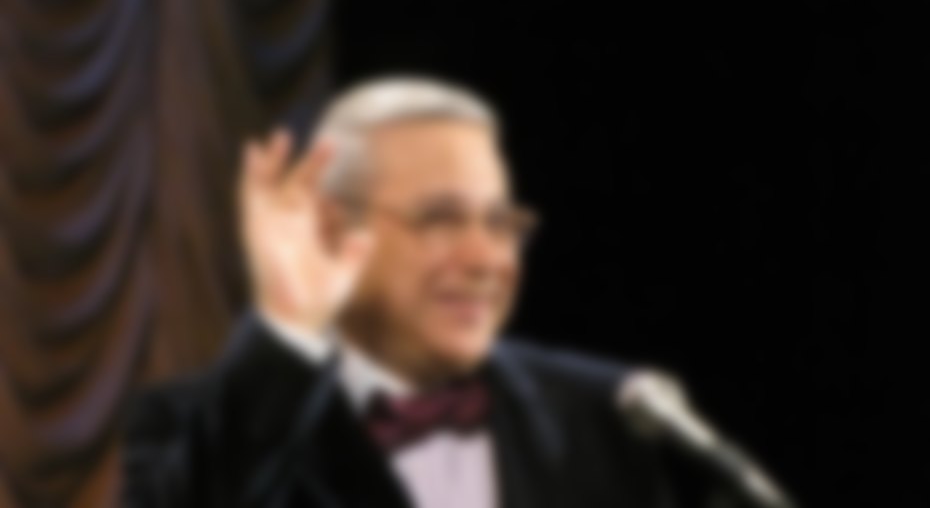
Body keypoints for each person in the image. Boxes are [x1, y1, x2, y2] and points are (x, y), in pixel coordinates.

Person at [123, 77, 724, 508]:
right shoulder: (186, 429)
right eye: (440, 219)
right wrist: (286, 326)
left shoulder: (607, 416)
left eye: (501, 223)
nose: (485, 260)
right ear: (330, 229)